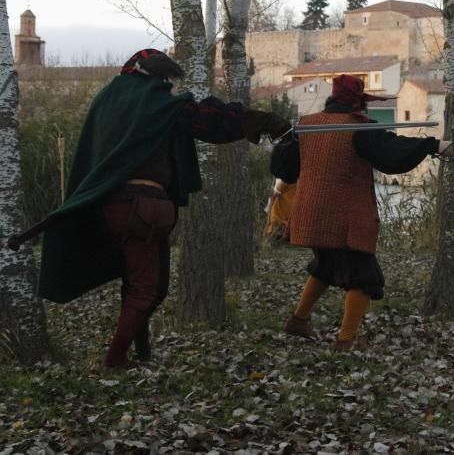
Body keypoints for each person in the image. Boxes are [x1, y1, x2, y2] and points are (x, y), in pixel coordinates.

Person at [27, 48, 290, 368]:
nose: (167, 85)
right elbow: (211, 122)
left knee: (138, 281)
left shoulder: (107, 100)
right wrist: (265, 121)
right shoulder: (158, 104)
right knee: (149, 289)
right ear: (155, 76)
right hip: (142, 209)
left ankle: (142, 351)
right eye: (164, 79)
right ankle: (115, 359)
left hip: (107, 206)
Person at [271, 74, 454, 350]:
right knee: (365, 276)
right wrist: (434, 145)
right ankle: (346, 340)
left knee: (326, 266)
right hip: (343, 216)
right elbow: (391, 153)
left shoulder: (308, 126)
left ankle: (298, 320)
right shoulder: (357, 128)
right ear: (357, 103)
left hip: (309, 214)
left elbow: (284, 169)